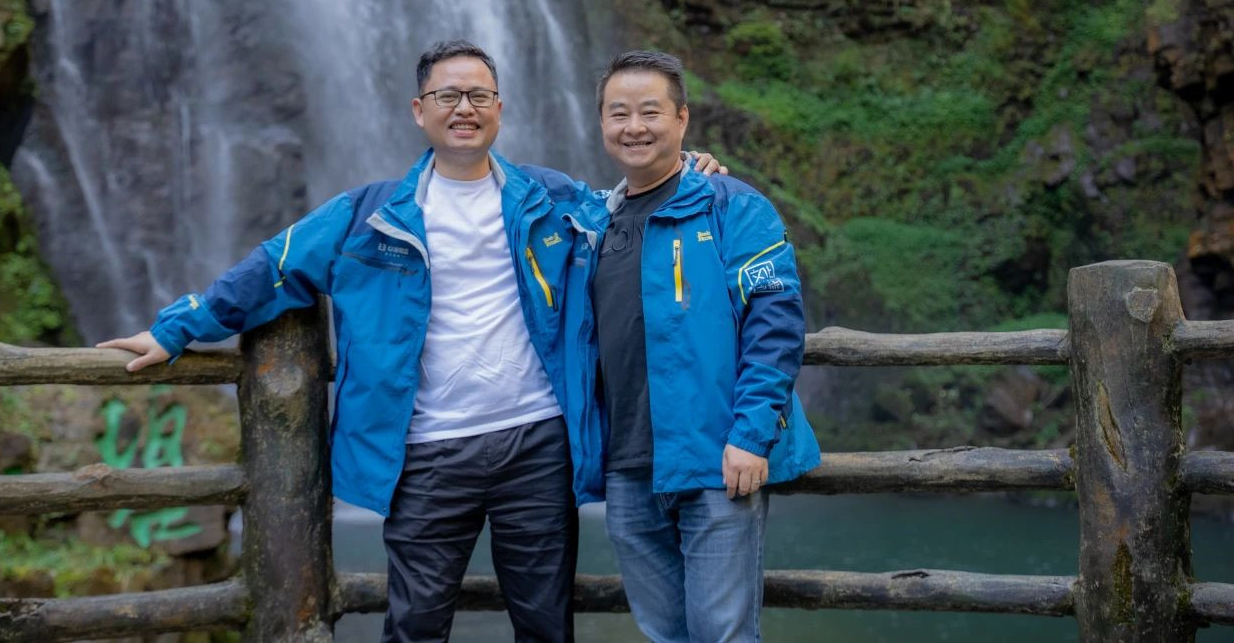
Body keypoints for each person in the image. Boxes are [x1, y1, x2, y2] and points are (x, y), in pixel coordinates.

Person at [98, 39, 723, 643]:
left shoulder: (551, 198)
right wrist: (174, 329)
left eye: (479, 96)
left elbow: (635, 200)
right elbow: (273, 268)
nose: (465, 108)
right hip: (425, 450)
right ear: (419, 110)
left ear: (500, 109)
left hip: (537, 442)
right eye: (448, 96)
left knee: (544, 622)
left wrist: (690, 168)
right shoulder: (367, 215)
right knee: (416, 622)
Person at [566, 50, 821, 643]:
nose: (634, 127)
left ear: (682, 119)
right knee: (664, 634)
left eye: (650, 112)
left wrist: (751, 435)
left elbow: (774, 323)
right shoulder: (592, 224)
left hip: (718, 461)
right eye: (619, 113)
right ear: (601, 123)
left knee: (722, 634)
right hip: (627, 468)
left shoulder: (733, 205)